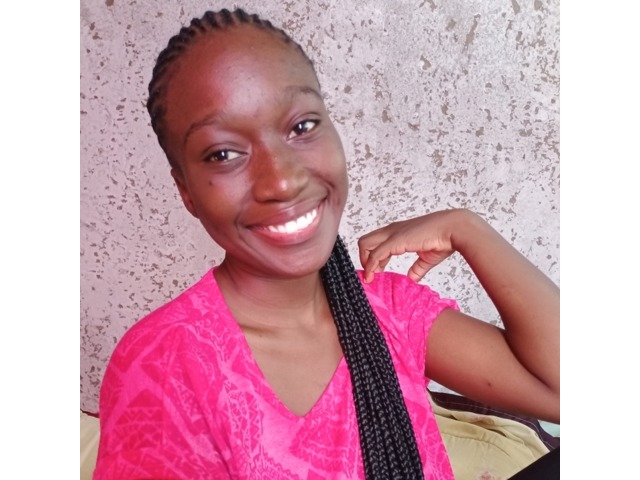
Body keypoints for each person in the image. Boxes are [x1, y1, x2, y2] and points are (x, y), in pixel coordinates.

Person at [93, 8, 559, 480]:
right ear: (186, 191)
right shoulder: (164, 364)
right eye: (224, 153)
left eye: (302, 127)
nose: (282, 180)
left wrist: (467, 228)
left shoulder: (385, 307)